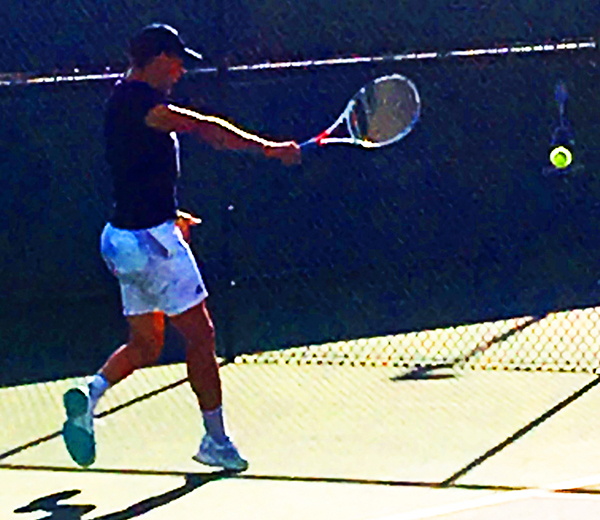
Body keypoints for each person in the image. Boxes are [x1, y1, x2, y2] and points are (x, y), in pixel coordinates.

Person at [61, 23, 301, 471]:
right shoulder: (141, 102)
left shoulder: (121, 98)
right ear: (156, 59)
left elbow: (138, 170)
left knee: (146, 342)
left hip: (123, 238)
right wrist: (269, 149)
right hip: (151, 243)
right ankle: (216, 441)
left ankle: (89, 396)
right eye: (175, 62)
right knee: (202, 335)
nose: (180, 71)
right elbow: (203, 128)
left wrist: (171, 213)